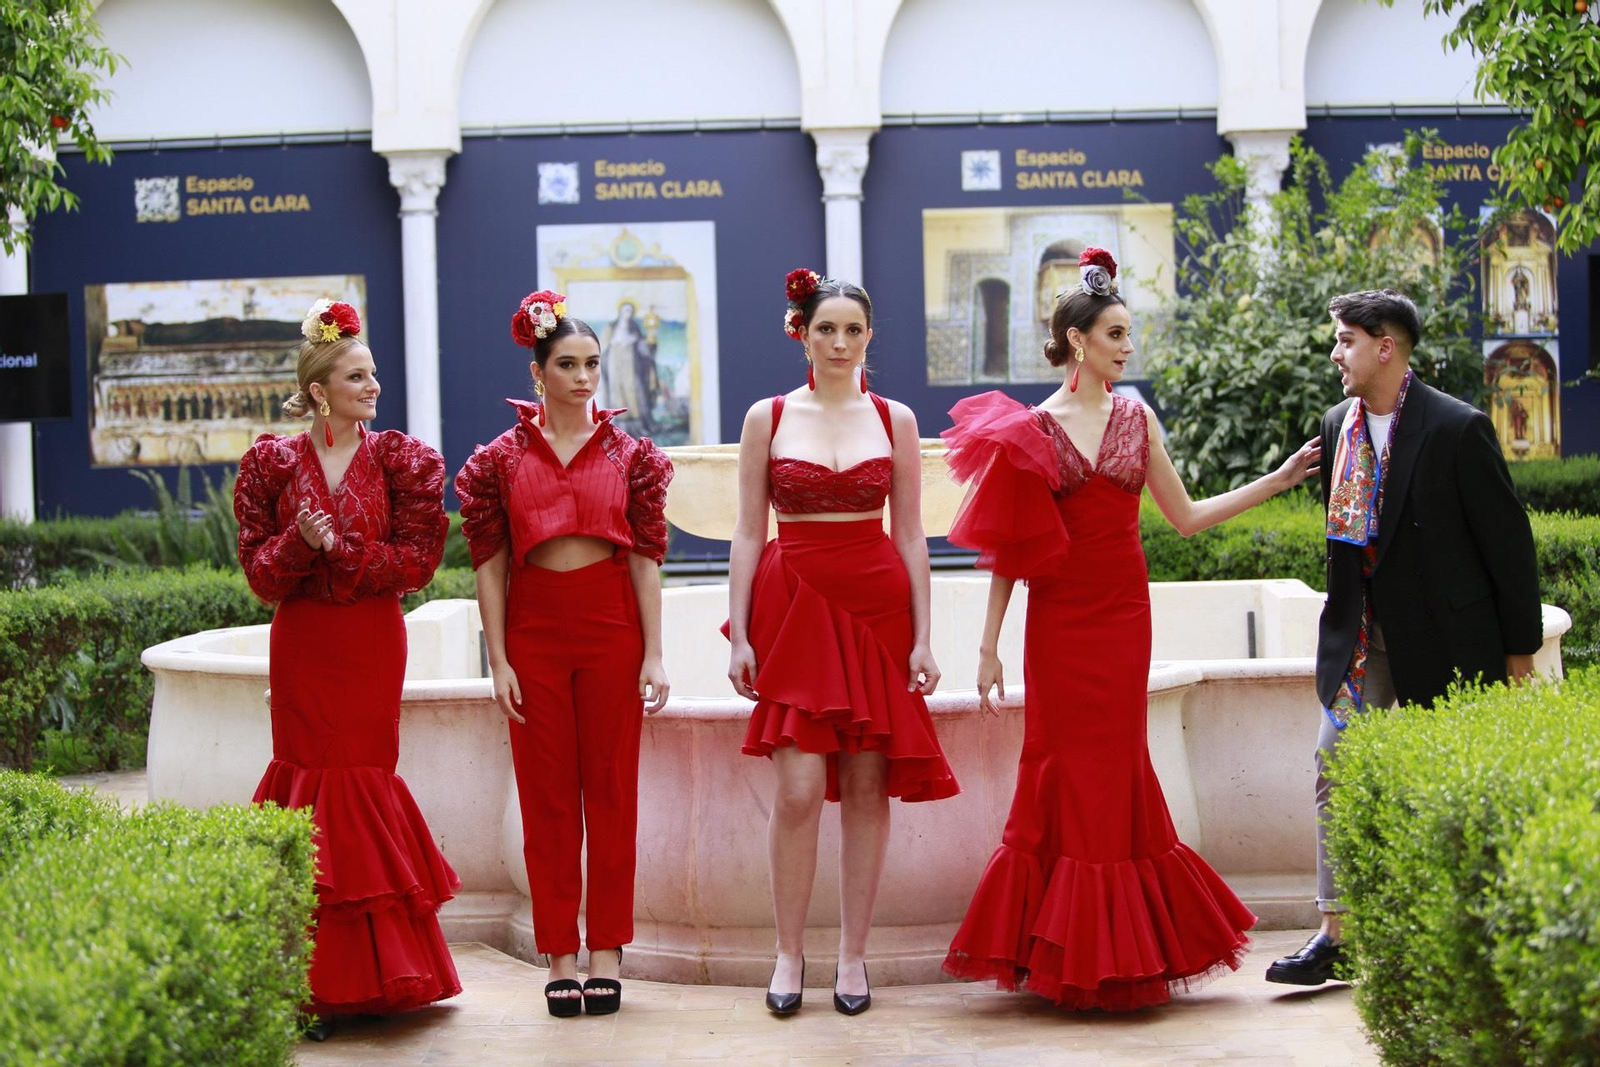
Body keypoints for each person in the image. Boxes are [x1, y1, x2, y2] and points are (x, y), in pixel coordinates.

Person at [940, 248, 1321, 1011]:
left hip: (1121, 616)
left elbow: (1185, 517)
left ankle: (1119, 950)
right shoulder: (1030, 430)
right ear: (1078, 340)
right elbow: (1010, 554)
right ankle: (1058, 949)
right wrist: (987, 645)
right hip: (1056, 622)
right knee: (1058, 767)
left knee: (1114, 770)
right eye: (1116, 333)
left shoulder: (1135, 417)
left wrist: (1276, 481)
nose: (1127, 345)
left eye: (1128, 333)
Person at [1265, 288, 1542, 986]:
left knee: (1449, 790)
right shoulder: (1337, 425)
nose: (1335, 354)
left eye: (1346, 341)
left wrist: (1518, 652)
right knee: (1334, 764)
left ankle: (1462, 932)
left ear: (1386, 347)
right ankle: (1337, 933)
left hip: (1447, 644)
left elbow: (1509, 547)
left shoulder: (1456, 427)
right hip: (1364, 642)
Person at [725, 269, 959, 1018]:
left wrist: (925, 636)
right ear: (803, 331)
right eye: (826, 328)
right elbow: (745, 530)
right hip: (792, 599)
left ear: (868, 337)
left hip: (876, 605)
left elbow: (913, 534)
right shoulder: (767, 414)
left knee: (864, 784)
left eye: (853, 330)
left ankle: (853, 957)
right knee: (796, 790)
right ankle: (788, 952)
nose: (839, 341)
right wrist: (740, 635)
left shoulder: (896, 419)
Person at [235, 299, 460, 1039]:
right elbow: (262, 577)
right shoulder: (271, 463)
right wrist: (300, 544)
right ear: (319, 390)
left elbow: (420, 564)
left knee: (360, 779)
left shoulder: (402, 460)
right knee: (304, 780)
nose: (374, 387)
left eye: (373, 375)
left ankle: (378, 976)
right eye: (357, 376)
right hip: (301, 644)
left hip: (369, 639)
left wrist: (343, 553)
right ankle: (306, 981)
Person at [455, 290, 673, 1017]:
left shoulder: (632, 454)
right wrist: (499, 657)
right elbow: (489, 563)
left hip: (613, 621)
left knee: (612, 790)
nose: (584, 377)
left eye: (592, 364)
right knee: (547, 795)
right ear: (538, 371)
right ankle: (558, 954)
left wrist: (655, 654)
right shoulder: (499, 459)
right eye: (568, 364)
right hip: (534, 624)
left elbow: (646, 559)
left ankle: (606, 948)